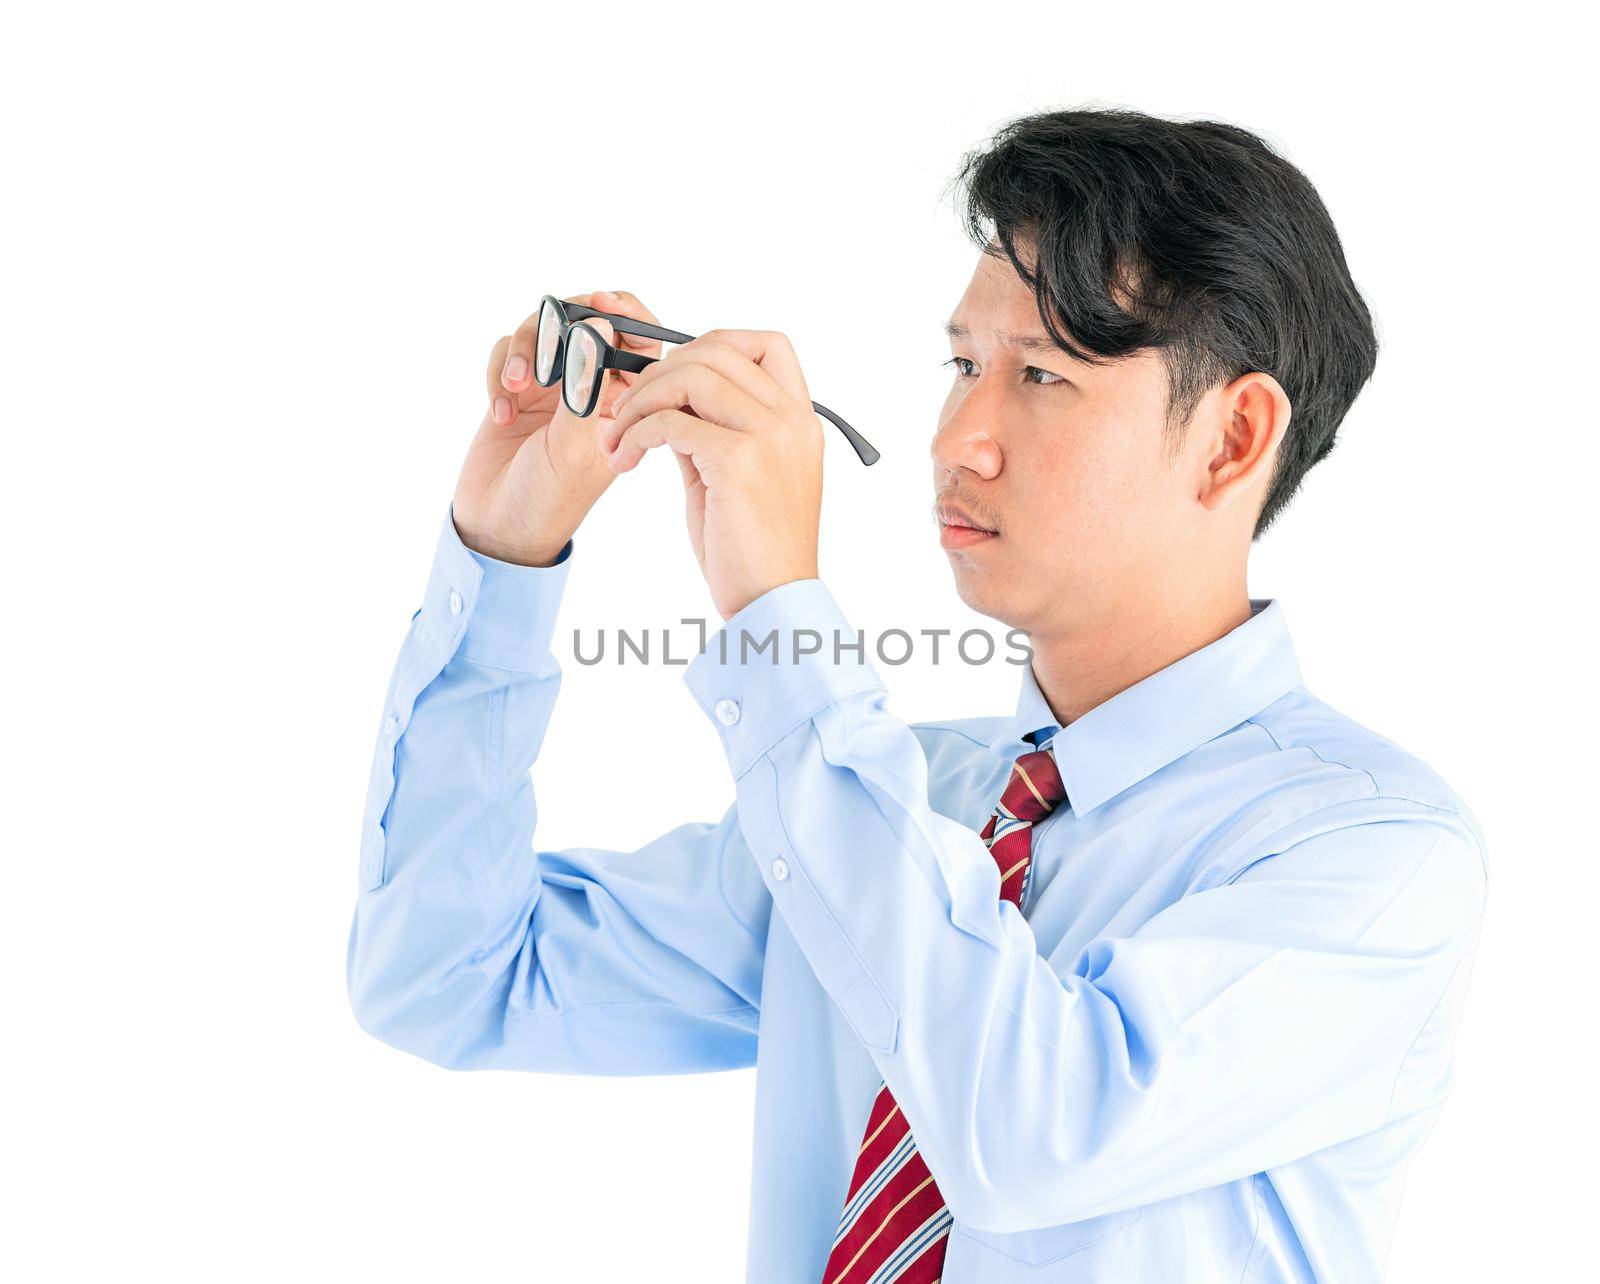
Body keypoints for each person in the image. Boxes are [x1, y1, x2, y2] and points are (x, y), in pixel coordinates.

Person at [346, 107, 1487, 1283]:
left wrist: (780, 614)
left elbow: (1028, 1137)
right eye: (961, 365)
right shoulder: (899, 808)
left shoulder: (1372, 857)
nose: (958, 438)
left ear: (1231, 437)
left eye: (1041, 374)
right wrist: (503, 553)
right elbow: (447, 975)